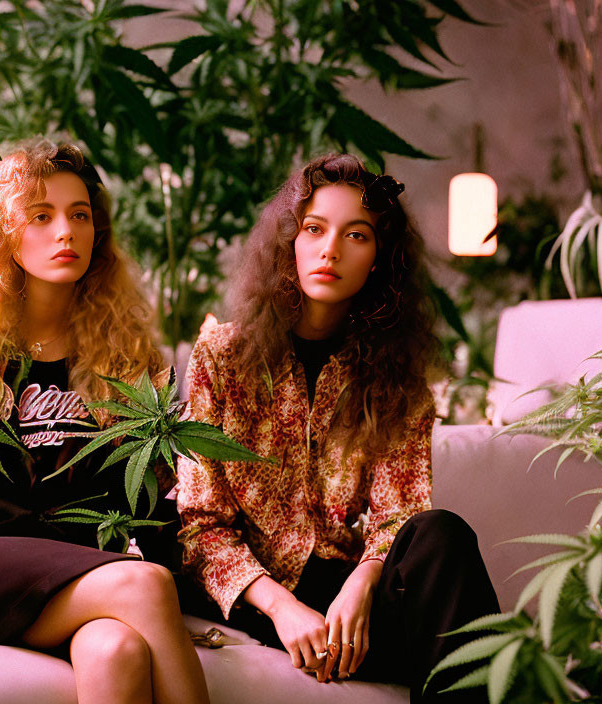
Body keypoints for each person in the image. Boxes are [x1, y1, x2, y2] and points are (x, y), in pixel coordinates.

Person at [0, 142, 210, 704]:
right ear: (3, 235)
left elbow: (150, 499)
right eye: (40, 217)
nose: (65, 232)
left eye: (79, 215)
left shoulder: (129, 360)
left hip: (77, 569)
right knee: (144, 583)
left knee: (115, 652)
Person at [176, 154, 499, 702]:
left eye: (357, 235)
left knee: (441, 533)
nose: (331, 249)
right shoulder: (222, 357)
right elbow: (199, 525)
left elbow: (399, 511)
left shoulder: (396, 371)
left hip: (351, 599)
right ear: (289, 245)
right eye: (314, 229)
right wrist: (283, 608)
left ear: (378, 259)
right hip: (257, 596)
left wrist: (364, 580)